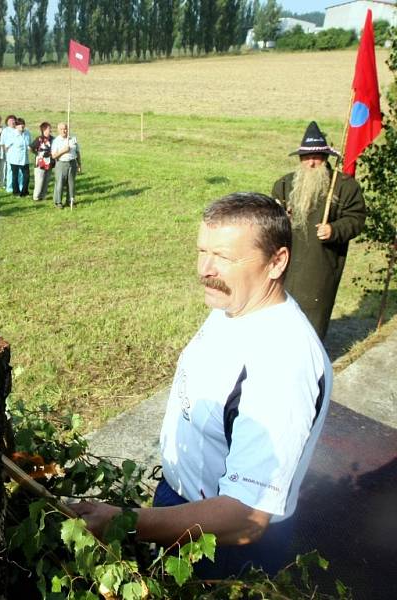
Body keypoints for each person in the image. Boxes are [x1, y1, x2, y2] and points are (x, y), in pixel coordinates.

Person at [73, 193, 332, 579]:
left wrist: (123, 521)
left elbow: (246, 517)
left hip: (223, 546)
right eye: (201, 251)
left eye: (223, 257)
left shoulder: (283, 361)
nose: (205, 269)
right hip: (180, 504)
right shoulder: (234, 305)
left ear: (276, 261)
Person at [271, 121, 366, 340]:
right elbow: (270, 215)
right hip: (285, 261)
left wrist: (334, 229)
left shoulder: (343, 186)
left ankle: (312, 365)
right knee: (281, 310)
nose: (312, 163)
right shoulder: (285, 184)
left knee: (313, 316)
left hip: (320, 263)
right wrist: (280, 219)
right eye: (306, 157)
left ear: (326, 158)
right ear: (300, 158)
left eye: (317, 157)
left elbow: (356, 218)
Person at [51, 122, 81, 208]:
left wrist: (79, 164)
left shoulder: (73, 138)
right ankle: (58, 202)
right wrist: (63, 151)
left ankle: (70, 201)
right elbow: (54, 156)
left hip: (72, 163)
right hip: (61, 164)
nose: (64, 130)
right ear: (58, 130)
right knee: (60, 183)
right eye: (62, 129)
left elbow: (77, 152)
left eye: (66, 129)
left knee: (71, 183)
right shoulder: (56, 141)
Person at [5, 117, 31, 197]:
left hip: (24, 159)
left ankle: (24, 192)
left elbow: (29, 144)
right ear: (16, 126)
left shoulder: (27, 133)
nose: (22, 126)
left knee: (26, 176)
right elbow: (6, 146)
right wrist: (10, 154)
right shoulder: (12, 134)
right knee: (15, 176)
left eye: (23, 124)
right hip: (14, 159)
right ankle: (16, 192)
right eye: (20, 125)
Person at [30, 122, 54, 201]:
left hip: (49, 162)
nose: (50, 130)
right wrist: (37, 154)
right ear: (44, 130)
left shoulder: (53, 139)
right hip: (40, 163)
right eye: (48, 128)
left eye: (50, 128)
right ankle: (36, 197)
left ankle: (43, 196)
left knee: (46, 180)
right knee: (39, 180)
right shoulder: (39, 139)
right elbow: (31, 147)